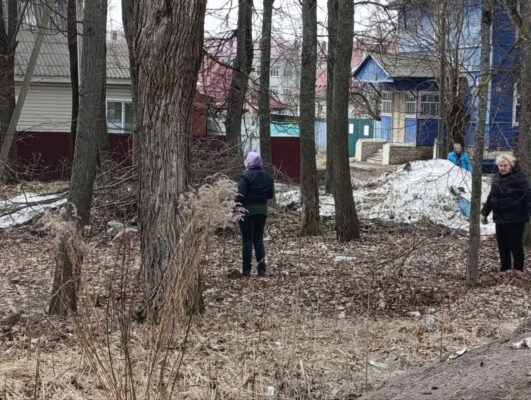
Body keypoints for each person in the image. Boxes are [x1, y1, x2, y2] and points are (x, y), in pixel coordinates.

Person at [481, 154, 530, 272]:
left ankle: (518, 270)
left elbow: (528, 196)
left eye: (505, 165)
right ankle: (505, 268)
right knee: (502, 246)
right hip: (500, 217)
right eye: (500, 165)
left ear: (511, 165)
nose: (502, 168)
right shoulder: (496, 177)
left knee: (515, 245)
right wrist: (485, 212)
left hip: (516, 218)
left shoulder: (519, 177)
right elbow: (492, 196)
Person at [235, 152, 274, 277]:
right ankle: (261, 270)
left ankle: (246, 270)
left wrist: (235, 206)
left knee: (247, 240)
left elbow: (240, 195)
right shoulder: (267, 176)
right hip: (262, 211)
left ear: (248, 162)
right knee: (258, 239)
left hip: (247, 212)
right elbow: (270, 195)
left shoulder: (245, 176)